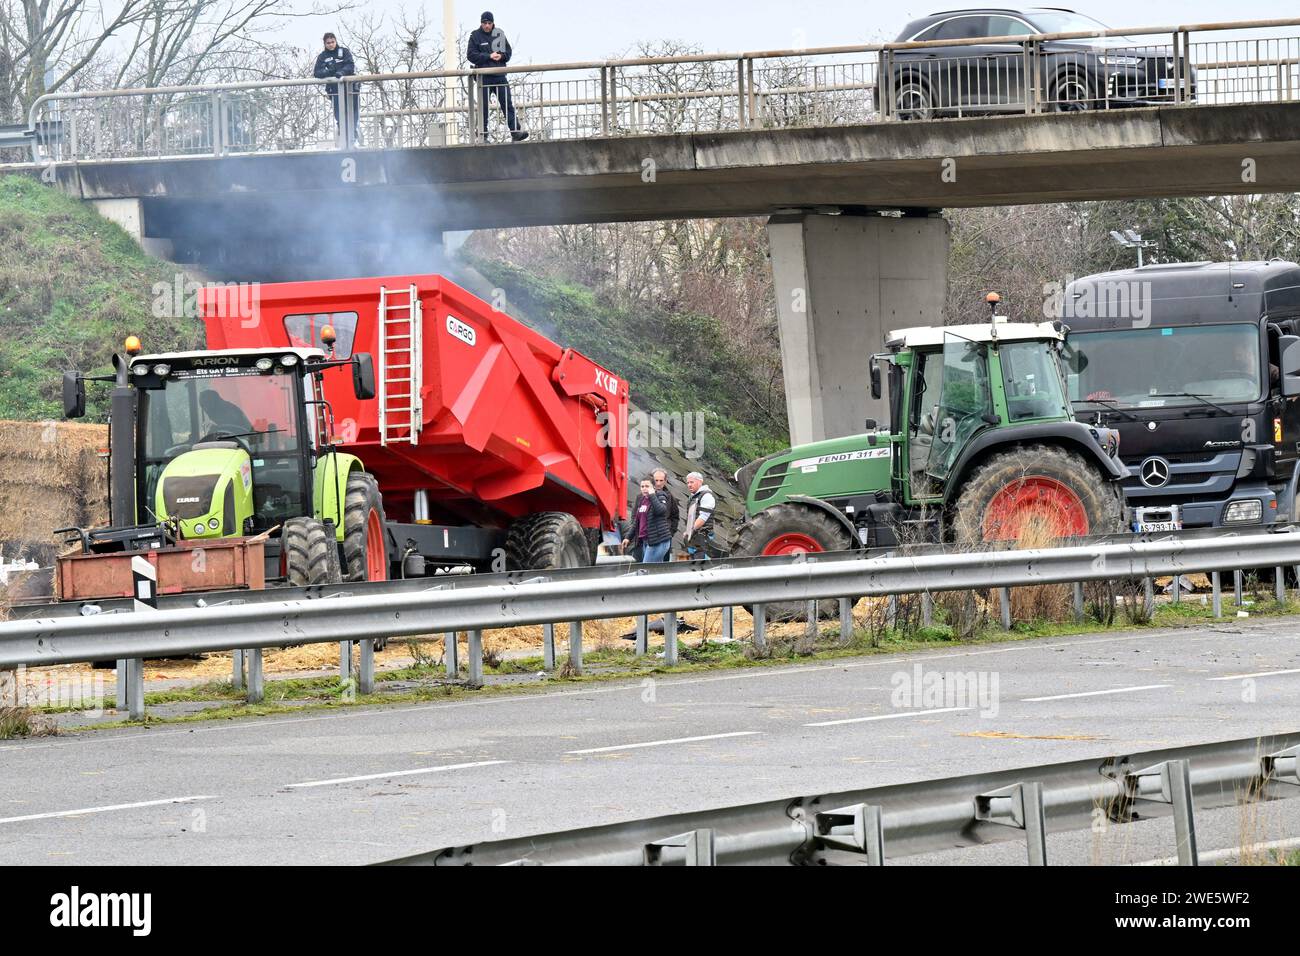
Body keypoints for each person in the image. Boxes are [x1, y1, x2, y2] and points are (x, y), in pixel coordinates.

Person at [467, 12, 528, 142]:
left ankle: (515, 132)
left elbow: (508, 52)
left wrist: (501, 56)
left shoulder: (499, 34)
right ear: (481, 23)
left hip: (500, 76)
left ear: (493, 23)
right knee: (483, 108)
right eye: (485, 23)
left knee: (507, 105)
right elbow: (471, 55)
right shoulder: (475, 36)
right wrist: (488, 56)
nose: (487, 26)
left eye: (489, 23)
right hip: (483, 78)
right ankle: (483, 136)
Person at [314, 33, 360, 144]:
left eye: (332, 42)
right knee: (339, 112)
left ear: (336, 41)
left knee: (353, 110)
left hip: (350, 87)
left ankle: (353, 130)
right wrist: (329, 71)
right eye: (328, 43)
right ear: (325, 43)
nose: (331, 45)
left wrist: (342, 72)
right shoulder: (323, 56)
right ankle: (342, 129)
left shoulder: (344, 52)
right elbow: (317, 72)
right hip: (334, 89)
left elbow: (350, 65)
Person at [622, 477, 671, 563]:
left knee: (646, 568)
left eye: (647, 486)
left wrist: (652, 495)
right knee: (654, 570)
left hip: (658, 541)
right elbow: (637, 522)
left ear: (653, 487)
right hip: (646, 541)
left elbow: (661, 510)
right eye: (642, 486)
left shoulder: (660, 495)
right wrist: (628, 537)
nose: (644, 488)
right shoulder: (642, 500)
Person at [683, 471, 720, 561]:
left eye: (692, 482)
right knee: (691, 563)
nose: (689, 485)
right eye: (687, 482)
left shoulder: (707, 496)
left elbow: (703, 517)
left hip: (703, 536)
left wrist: (689, 531)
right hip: (693, 536)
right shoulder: (693, 496)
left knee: (701, 566)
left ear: (700, 482)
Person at [652, 468, 679, 552]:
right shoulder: (644, 495)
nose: (658, 483)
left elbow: (675, 516)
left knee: (661, 564)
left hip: (664, 537)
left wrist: (670, 533)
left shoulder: (670, 497)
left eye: (661, 480)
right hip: (646, 537)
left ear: (665, 481)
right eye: (656, 480)